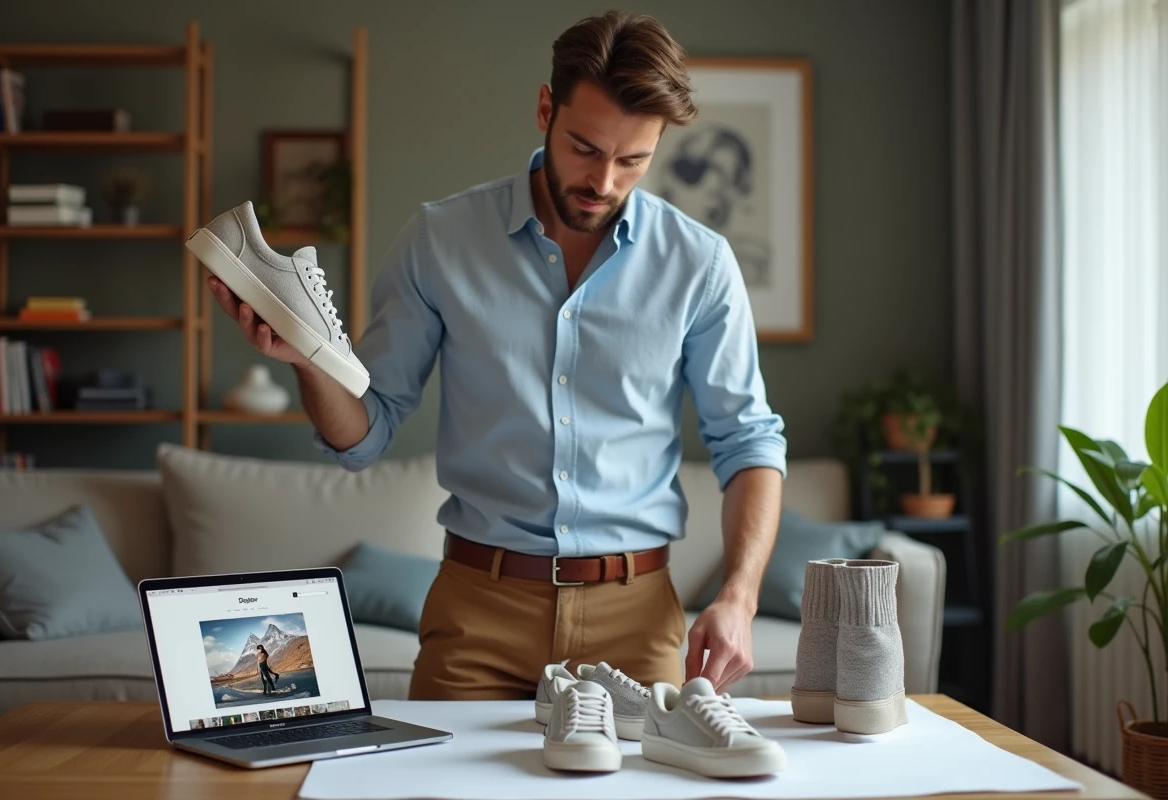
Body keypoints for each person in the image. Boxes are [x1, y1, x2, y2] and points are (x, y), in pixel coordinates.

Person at [206, 10, 786, 701]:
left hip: (637, 618)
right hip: (478, 613)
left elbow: (748, 442)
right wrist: (306, 360)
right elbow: (366, 432)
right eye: (584, 147)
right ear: (545, 109)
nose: (603, 181)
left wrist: (740, 597)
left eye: (632, 159)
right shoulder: (440, 239)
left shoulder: (699, 263)